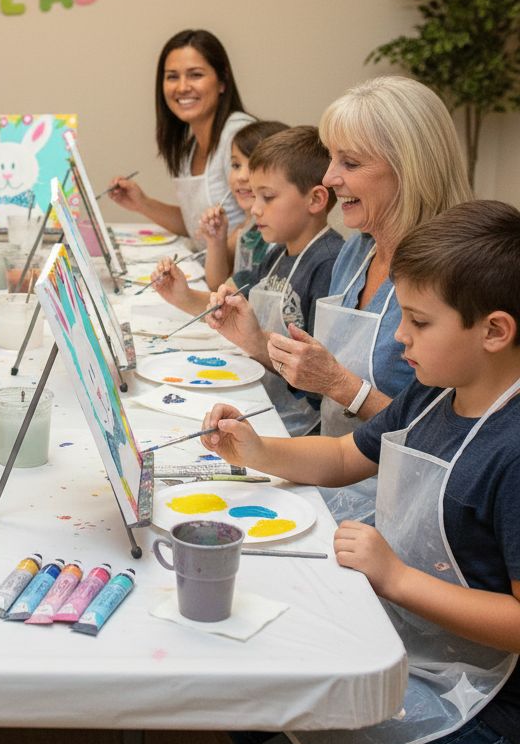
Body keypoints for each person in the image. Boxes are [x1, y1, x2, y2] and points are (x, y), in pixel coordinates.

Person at [208, 201, 520, 744]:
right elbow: (342, 456)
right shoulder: (434, 393)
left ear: (494, 330)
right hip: (403, 630)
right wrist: (257, 450)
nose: (400, 337)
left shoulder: (512, 450)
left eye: (419, 321)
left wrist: (396, 578)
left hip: (478, 698)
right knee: (245, 685)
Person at [206, 77, 471, 517]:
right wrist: (256, 342)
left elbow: (446, 439)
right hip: (333, 469)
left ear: (408, 168)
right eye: (331, 159)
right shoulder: (355, 253)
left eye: (349, 162)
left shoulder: (452, 277)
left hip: (402, 504)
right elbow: (333, 420)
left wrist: (340, 385)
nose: (329, 178)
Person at [154, 126, 344, 435]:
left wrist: (254, 341)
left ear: (316, 199)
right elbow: (235, 309)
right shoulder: (277, 253)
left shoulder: (329, 264)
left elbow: (318, 379)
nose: (255, 209)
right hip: (267, 403)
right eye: (255, 197)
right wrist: (184, 296)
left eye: (267, 197)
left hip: (302, 428)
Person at [108, 29, 254, 242]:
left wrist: (217, 258)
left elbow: (257, 222)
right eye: (172, 77)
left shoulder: (238, 137)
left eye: (195, 75)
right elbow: (196, 227)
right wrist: (142, 203)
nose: (182, 87)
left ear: (222, 81)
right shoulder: (190, 148)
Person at [198, 119, 290, 291]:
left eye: (254, 166)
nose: (241, 176)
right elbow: (218, 285)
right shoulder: (248, 228)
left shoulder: (280, 234)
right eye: (236, 165)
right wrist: (216, 241)